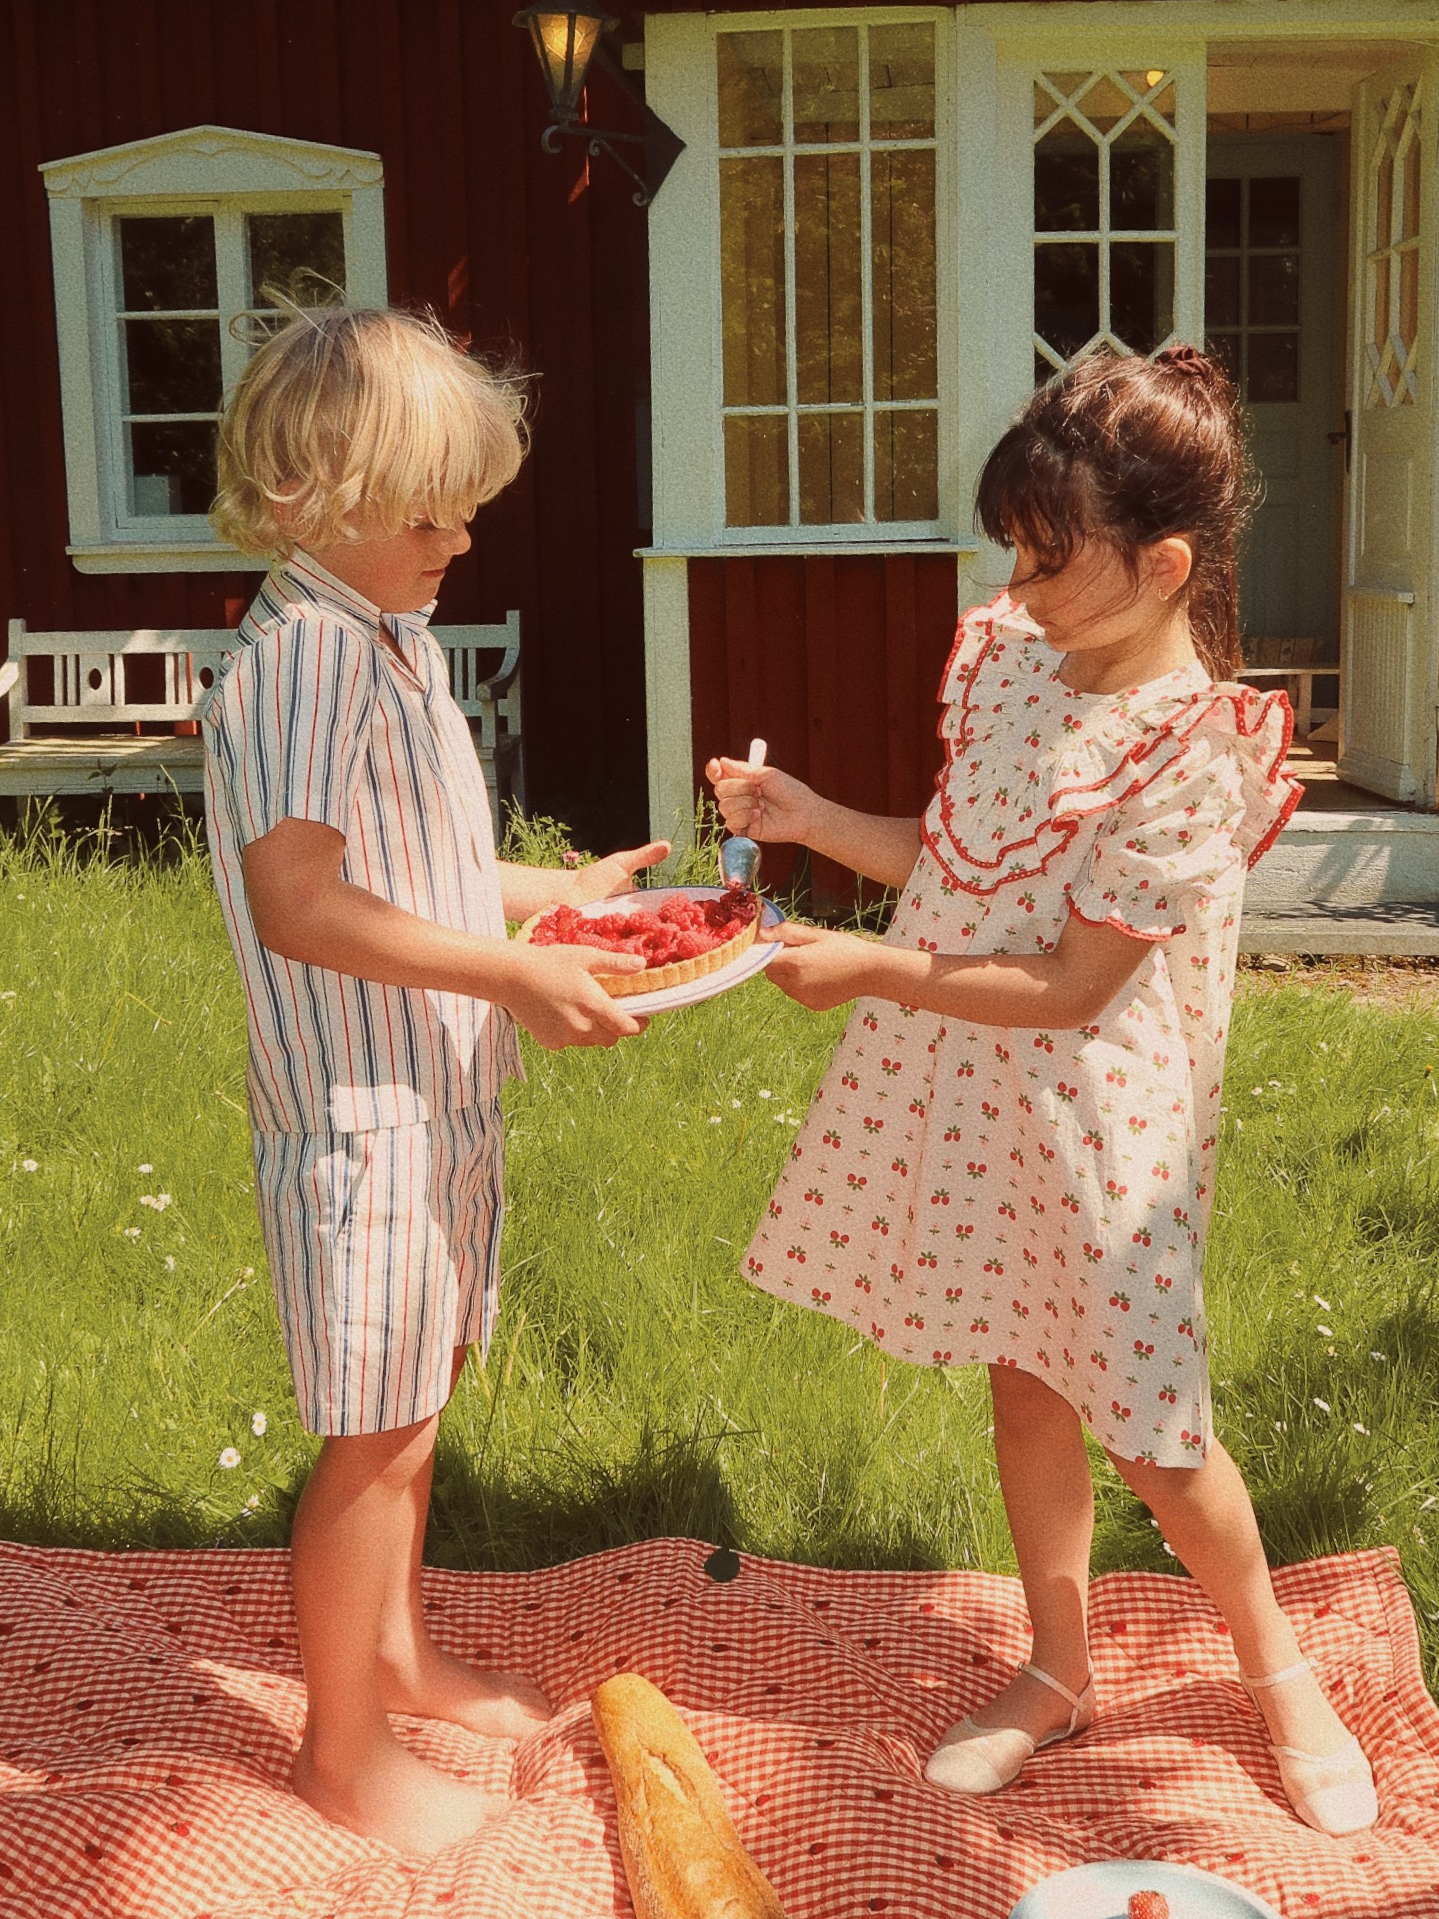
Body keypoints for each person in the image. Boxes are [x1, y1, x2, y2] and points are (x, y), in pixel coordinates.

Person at [707, 347, 1377, 1837]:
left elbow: (1075, 988)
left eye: (1050, 559)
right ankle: (1058, 1667)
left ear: (1165, 566)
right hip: (981, 1091)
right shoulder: (1012, 662)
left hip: (1105, 1124)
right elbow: (956, 879)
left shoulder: (1199, 748)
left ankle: (1280, 1676)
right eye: (1012, 548)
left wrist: (869, 973)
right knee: (1022, 1376)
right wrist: (812, 823)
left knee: (1151, 1423)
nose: (1017, 585)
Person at [204, 305, 667, 1856]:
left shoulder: (382, 640)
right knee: (375, 1431)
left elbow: (421, 867)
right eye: (430, 511)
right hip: (360, 1122)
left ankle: (393, 1655)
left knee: (421, 1397)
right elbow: (302, 901)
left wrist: (556, 900)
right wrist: (517, 976)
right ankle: (341, 1747)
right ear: (303, 493)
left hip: (435, 1104)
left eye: (472, 507)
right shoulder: (299, 664)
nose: (461, 538)